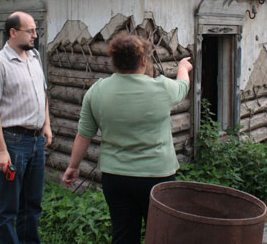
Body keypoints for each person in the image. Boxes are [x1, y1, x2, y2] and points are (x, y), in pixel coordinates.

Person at [62, 33, 192, 244]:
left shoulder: (97, 91)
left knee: (123, 235)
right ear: (143, 60)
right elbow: (183, 86)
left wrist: (73, 166)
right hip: (157, 176)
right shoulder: (162, 88)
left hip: (116, 177)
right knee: (160, 235)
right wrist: (182, 69)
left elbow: (84, 133)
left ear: (114, 61)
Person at [0, 11, 52, 244]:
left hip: (35, 142)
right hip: (12, 142)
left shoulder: (34, 57)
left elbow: (42, 92)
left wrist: (46, 125)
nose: (35, 35)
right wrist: (1, 150)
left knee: (32, 204)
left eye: (35, 30)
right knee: (9, 206)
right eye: (30, 31)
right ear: (13, 33)